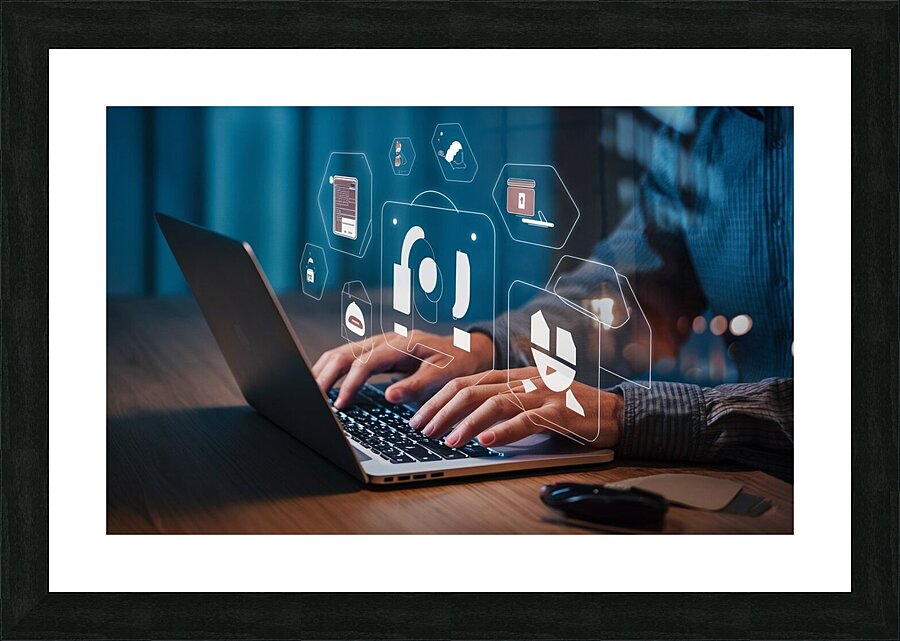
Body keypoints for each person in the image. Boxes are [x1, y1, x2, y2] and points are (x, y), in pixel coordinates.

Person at [313, 107, 794, 481]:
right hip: (744, 472)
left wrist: (628, 414)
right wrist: (485, 348)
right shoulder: (705, 133)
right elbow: (621, 294)